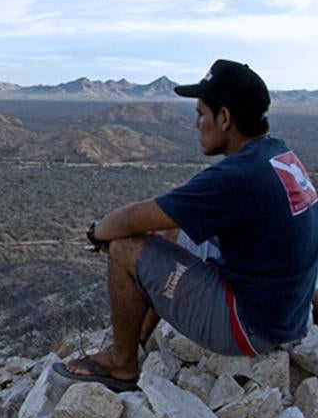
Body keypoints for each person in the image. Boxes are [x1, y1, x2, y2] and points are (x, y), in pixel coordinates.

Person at [56, 59, 318, 392]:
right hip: (286, 313)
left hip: (253, 326)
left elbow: (129, 220)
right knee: (171, 226)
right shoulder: (278, 154)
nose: (196, 124)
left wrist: (96, 233)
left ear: (224, 118)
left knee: (124, 247)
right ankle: (137, 342)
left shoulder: (237, 176)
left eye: (201, 114)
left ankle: (121, 364)